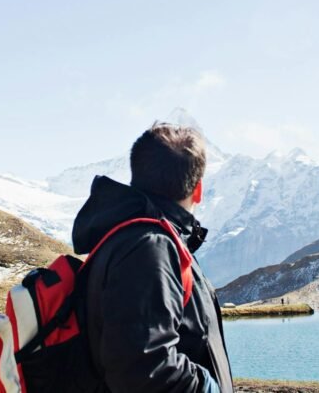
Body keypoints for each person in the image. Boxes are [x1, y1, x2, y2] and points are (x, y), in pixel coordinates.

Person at [72, 122, 233, 393]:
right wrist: (210, 388)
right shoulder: (149, 248)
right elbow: (144, 369)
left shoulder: (133, 239)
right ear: (198, 190)